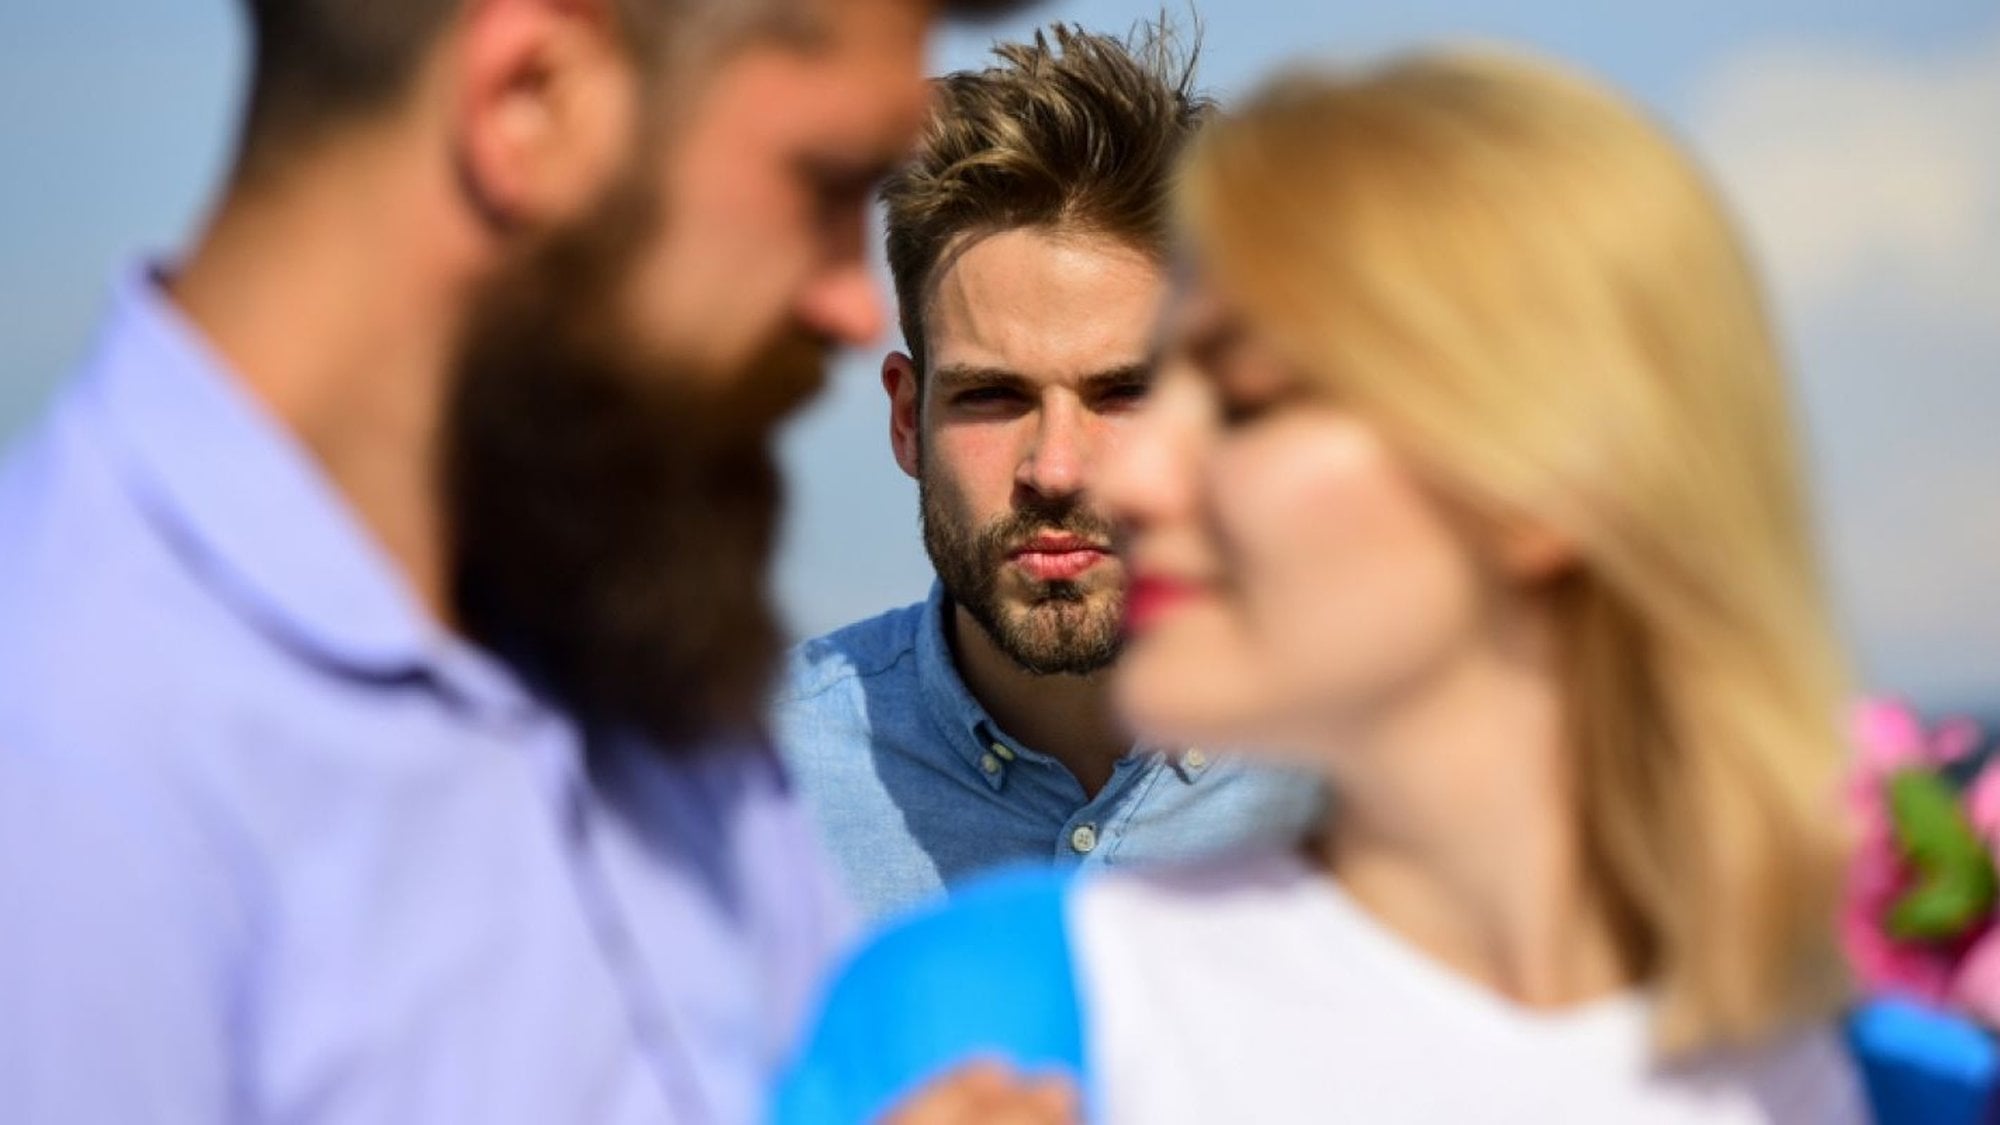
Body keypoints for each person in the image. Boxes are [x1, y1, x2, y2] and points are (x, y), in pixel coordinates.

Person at [775, 47, 1998, 1123]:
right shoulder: (950, 995)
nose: (1101, 477)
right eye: (992, 396)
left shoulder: (1904, 1081)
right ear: (905, 412)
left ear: (1539, 474)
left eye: (1235, 404)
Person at [0, 0, 1029, 1120]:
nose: (850, 306)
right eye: (824, 185)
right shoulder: (63, 745)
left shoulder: (625, 628)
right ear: (528, 99)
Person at [773, 23, 1323, 919]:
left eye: (1124, 393)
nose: (1057, 468)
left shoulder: (1377, 777)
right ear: (907, 419)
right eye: (993, 396)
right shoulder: (749, 788)